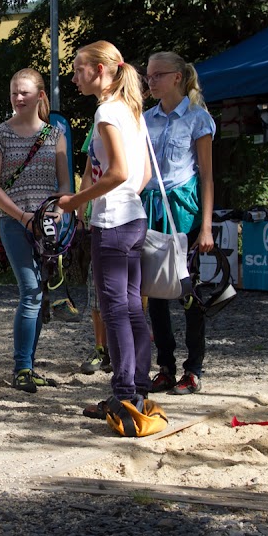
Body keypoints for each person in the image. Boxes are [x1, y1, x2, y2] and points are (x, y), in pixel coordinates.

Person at [56, 41, 151, 418]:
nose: (75, 75)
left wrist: (78, 202)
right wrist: (121, 196)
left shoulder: (107, 112)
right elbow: (139, 175)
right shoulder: (132, 110)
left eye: (79, 68)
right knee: (131, 307)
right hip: (134, 217)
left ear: (100, 71)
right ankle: (137, 388)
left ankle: (125, 393)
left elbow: (119, 172)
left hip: (112, 224)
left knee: (115, 310)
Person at [0, 68, 70, 393]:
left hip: (46, 227)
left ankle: (28, 367)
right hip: (13, 223)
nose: (18, 98)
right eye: (14, 93)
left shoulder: (55, 135)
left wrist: (58, 213)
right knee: (31, 291)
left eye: (25, 93)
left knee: (40, 294)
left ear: (40, 96)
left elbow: (64, 185)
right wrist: (22, 216)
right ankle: (22, 367)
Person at [142, 51, 216, 396]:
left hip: (183, 209)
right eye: (148, 75)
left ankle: (194, 368)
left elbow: (207, 178)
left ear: (176, 77)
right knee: (156, 291)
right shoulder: (145, 119)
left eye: (157, 75)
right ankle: (165, 366)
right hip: (152, 207)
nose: (150, 81)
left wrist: (205, 226)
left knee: (189, 290)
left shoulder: (198, 118)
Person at [75, 126, 111, 376]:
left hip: (122, 217)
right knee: (95, 287)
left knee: (124, 292)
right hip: (96, 219)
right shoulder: (96, 125)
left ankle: (118, 350)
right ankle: (100, 349)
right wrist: (80, 209)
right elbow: (89, 171)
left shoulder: (134, 121)